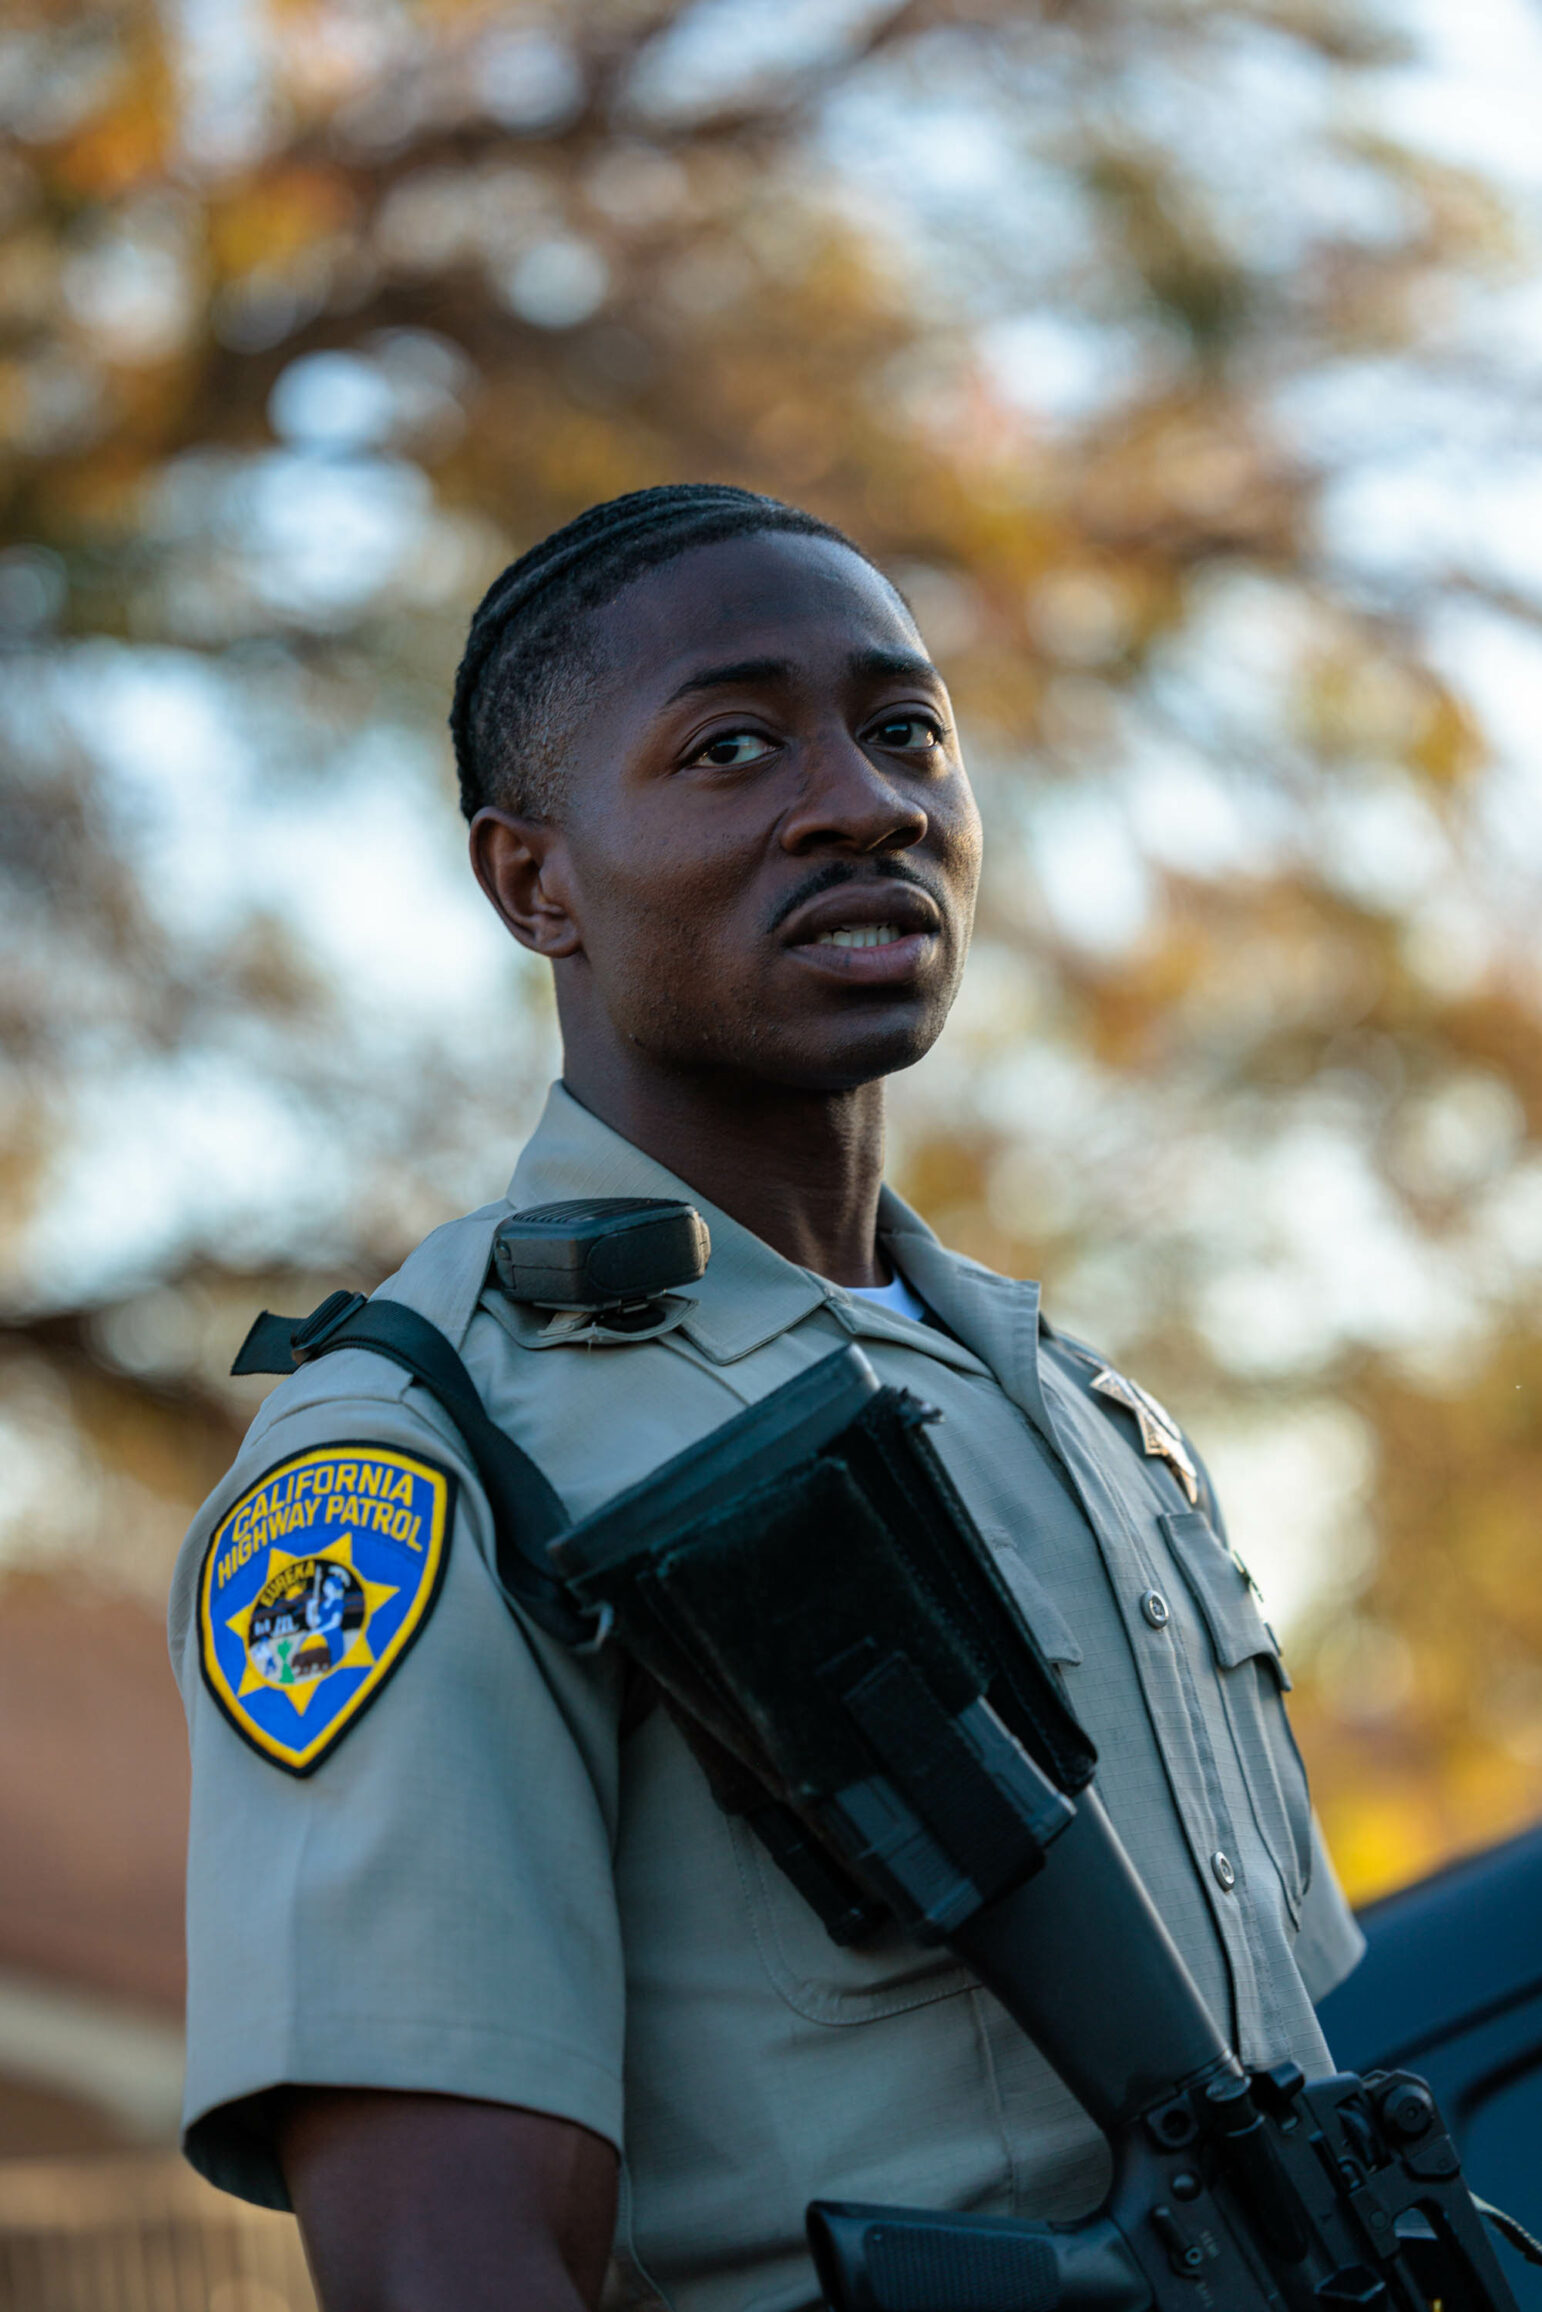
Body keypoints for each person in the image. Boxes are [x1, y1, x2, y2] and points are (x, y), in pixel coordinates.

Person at [169, 483, 1364, 2312]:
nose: (864, 802)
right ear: (532, 880)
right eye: (731, 747)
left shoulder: (1086, 1419)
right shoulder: (432, 1455)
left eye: (907, 735)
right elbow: (446, 2259)